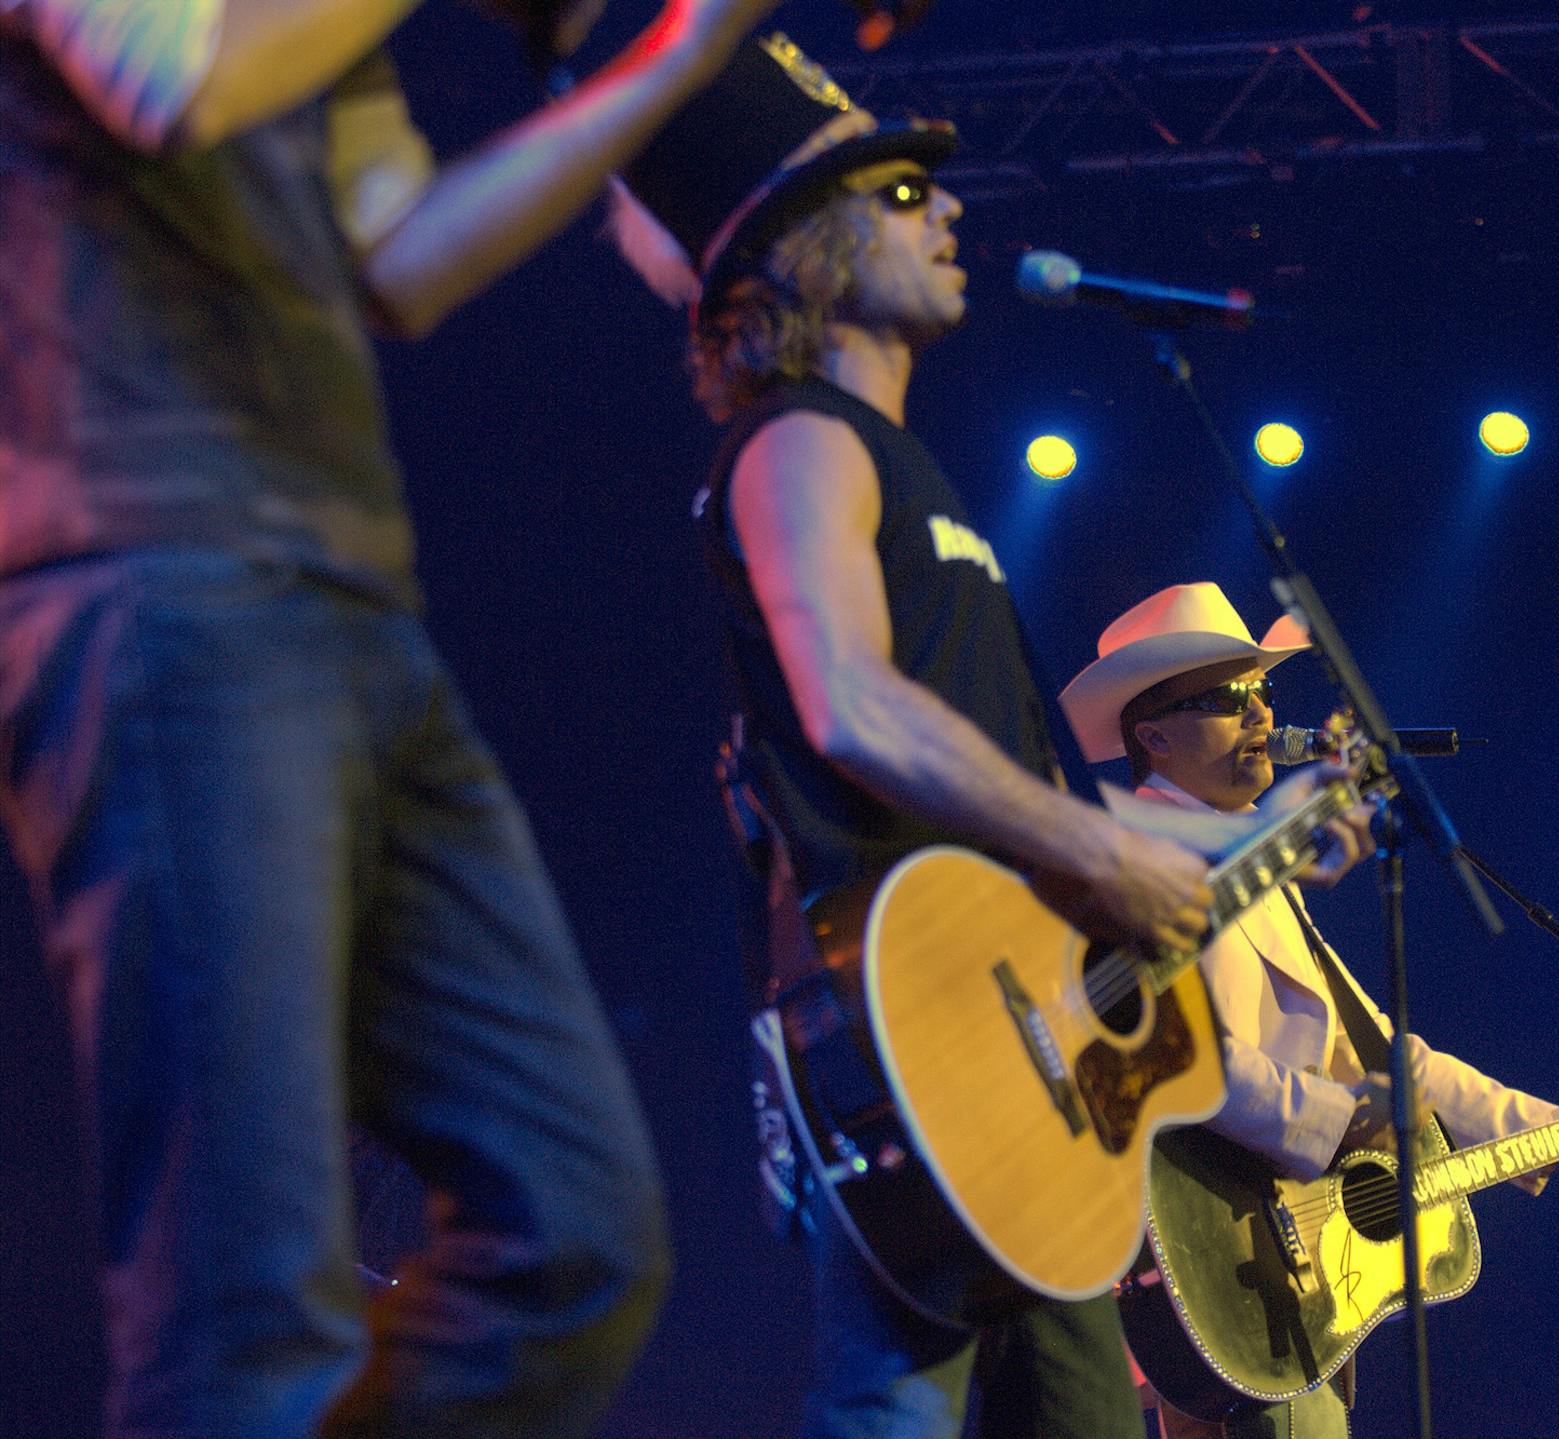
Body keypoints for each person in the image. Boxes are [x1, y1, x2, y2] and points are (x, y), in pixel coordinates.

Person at [0, 2, 782, 1435]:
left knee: (576, 1232)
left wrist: (678, 50)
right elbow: (184, 84)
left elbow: (403, 262)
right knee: (246, 1304)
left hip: (354, 603)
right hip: (162, 575)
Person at [605, 34, 1351, 1439]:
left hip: (1041, 1063)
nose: (947, 211)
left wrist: (1273, 826)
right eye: (900, 197)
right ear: (809, 251)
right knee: (887, 1404)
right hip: (922, 1031)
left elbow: (1030, 793)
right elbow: (845, 699)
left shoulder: (914, 473)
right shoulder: (797, 445)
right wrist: (1093, 843)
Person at [1059, 582, 1559, 1439]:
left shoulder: (1252, 864)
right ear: (1153, 736)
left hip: (1283, 1280)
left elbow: (1389, 1056)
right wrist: (1337, 1119)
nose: (1258, 713)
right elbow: (1168, 1051)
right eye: (1224, 698)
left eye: (1262, 691)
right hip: (1209, 1262)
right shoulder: (1142, 861)